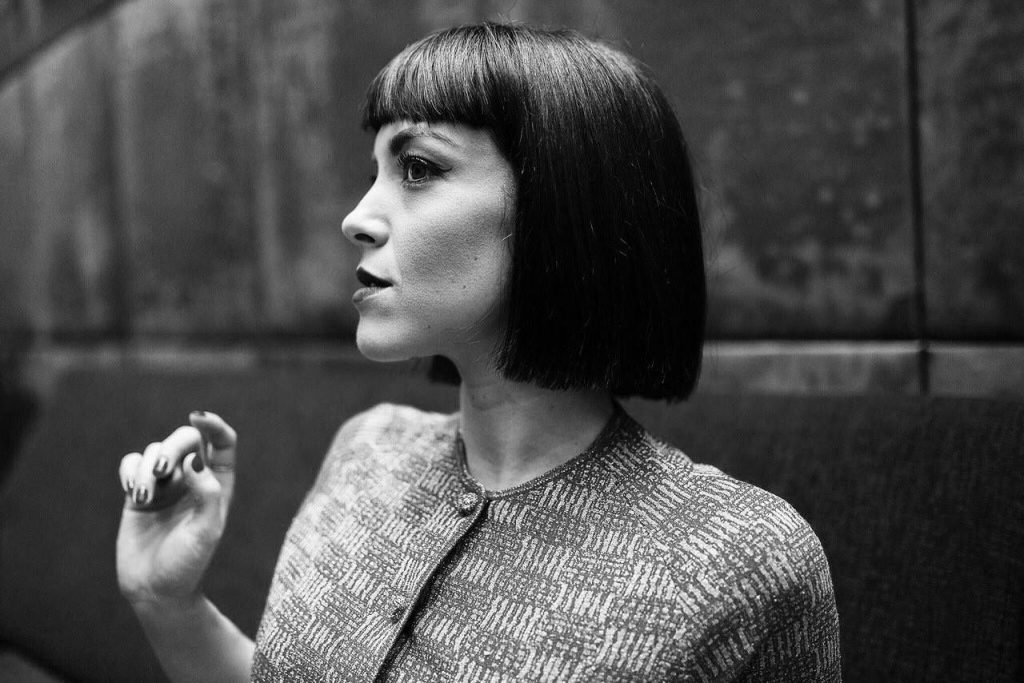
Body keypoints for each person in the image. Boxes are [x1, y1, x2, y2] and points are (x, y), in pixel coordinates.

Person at [116, 22, 841, 682]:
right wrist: (167, 601)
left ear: (561, 203)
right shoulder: (367, 449)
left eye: (418, 168)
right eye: (375, 172)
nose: (356, 218)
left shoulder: (737, 560)